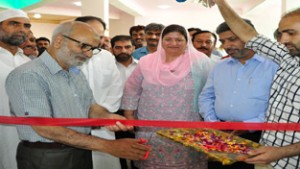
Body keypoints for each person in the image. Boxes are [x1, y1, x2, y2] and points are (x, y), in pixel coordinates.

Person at [5, 21, 150, 169]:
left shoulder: (75, 71)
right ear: (59, 41)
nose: (88, 54)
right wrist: (108, 146)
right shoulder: (28, 75)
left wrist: (106, 116)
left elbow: (90, 106)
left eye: (93, 49)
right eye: (84, 46)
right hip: (47, 156)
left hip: (80, 150)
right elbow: (44, 128)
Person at [212, 0, 300, 169]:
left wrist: (282, 152)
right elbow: (248, 34)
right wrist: (220, 2)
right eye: (282, 34)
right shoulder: (289, 59)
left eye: (290, 33)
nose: (283, 40)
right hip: (265, 157)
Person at [121, 24, 212, 168]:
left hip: (188, 124)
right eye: (168, 39)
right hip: (150, 126)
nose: (173, 43)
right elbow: (132, 88)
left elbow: (210, 91)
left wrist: (210, 118)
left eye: (179, 40)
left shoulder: (200, 61)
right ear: (161, 41)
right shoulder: (147, 61)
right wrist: (129, 115)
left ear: (186, 41)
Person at [198, 19, 278, 169]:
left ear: (250, 36)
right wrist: (213, 121)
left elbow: (280, 106)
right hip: (219, 135)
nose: (227, 45)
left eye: (232, 39)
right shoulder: (220, 66)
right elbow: (206, 96)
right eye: (223, 41)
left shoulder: (273, 66)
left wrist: (250, 125)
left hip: (260, 137)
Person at [74, 16, 124, 169]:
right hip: (72, 125)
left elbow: (116, 87)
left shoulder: (106, 56)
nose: (97, 39)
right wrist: (84, 115)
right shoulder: (62, 57)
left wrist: (102, 114)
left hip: (103, 125)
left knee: (104, 163)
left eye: (101, 36)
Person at [0, 9, 31, 169]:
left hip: (28, 137)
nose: (22, 29)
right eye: (14, 23)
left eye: (26, 26)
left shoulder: (28, 62)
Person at [111, 35, 139, 169]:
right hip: (113, 112)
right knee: (117, 148)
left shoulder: (142, 66)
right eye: (118, 47)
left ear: (133, 48)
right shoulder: (107, 67)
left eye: (127, 47)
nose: (123, 50)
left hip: (137, 112)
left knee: (138, 147)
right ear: (112, 49)